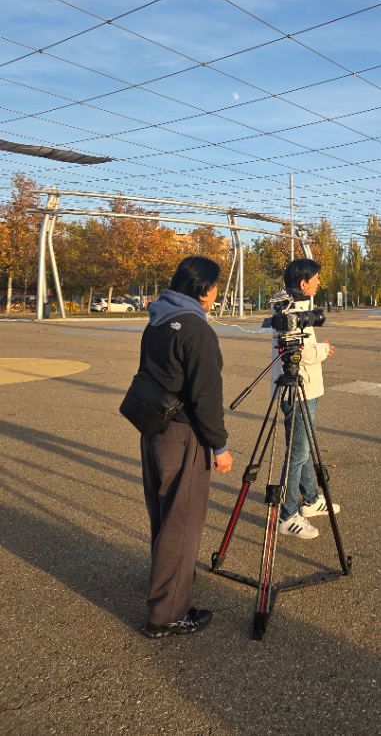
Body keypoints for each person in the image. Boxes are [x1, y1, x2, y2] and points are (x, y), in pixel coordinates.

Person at [139, 256, 233, 637]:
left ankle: (168, 582)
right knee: (183, 522)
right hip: (182, 435)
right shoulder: (195, 329)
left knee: (164, 516)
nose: (216, 293)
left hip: (154, 429)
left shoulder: (158, 319)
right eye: (214, 286)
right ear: (202, 288)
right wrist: (220, 446)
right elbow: (206, 395)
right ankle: (167, 613)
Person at [271, 258, 338, 540]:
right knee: (297, 452)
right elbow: (296, 351)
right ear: (303, 283)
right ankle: (287, 515)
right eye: (317, 278)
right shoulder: (289, 310)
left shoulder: (290, 307)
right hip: (298, 390)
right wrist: (323, 349)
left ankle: (310, 500)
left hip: (305, 387)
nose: (319, 282)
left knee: (305, 446)